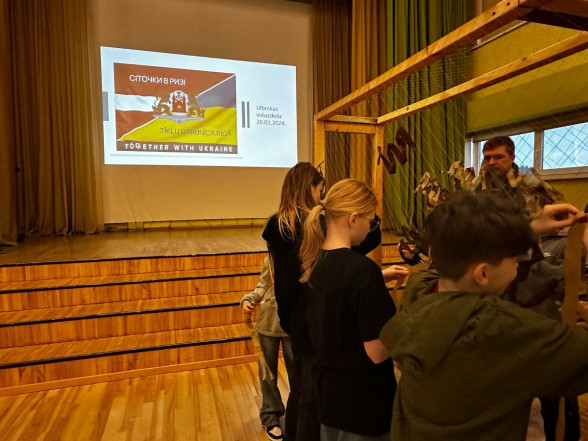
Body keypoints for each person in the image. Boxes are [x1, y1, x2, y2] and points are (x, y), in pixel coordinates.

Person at [379, 191, 588, 441]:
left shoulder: (418, 291)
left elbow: (460, 246)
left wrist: (526, 228)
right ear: (483, 274)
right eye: (514, 259)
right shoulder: (506, 330)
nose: (517, 265)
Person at [262, 162, 383, 441]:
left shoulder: (276, 223)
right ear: (310, 188)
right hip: (313, 316)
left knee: (300, 388)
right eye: (320, 189)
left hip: (291, 315)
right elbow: (362, 242)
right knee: (312, 396)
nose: (322, 195)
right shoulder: (313, 225)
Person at [299, 179, 407, 441]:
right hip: (363, 407)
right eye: (371, 221)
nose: (371, 228)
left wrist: (379, 278)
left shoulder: (314, 263)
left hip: (330, 399)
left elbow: (339, 298)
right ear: (353, 219)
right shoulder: (362, 270)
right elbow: (378, 352)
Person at [241, 256, 294, 441]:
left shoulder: (305, 256)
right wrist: (249, 299)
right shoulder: (270, 259)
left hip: (294, 326)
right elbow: (263, 286)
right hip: (267, 325)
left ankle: (298, 414)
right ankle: (270, 416)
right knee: (267, 374)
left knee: (298, 375)